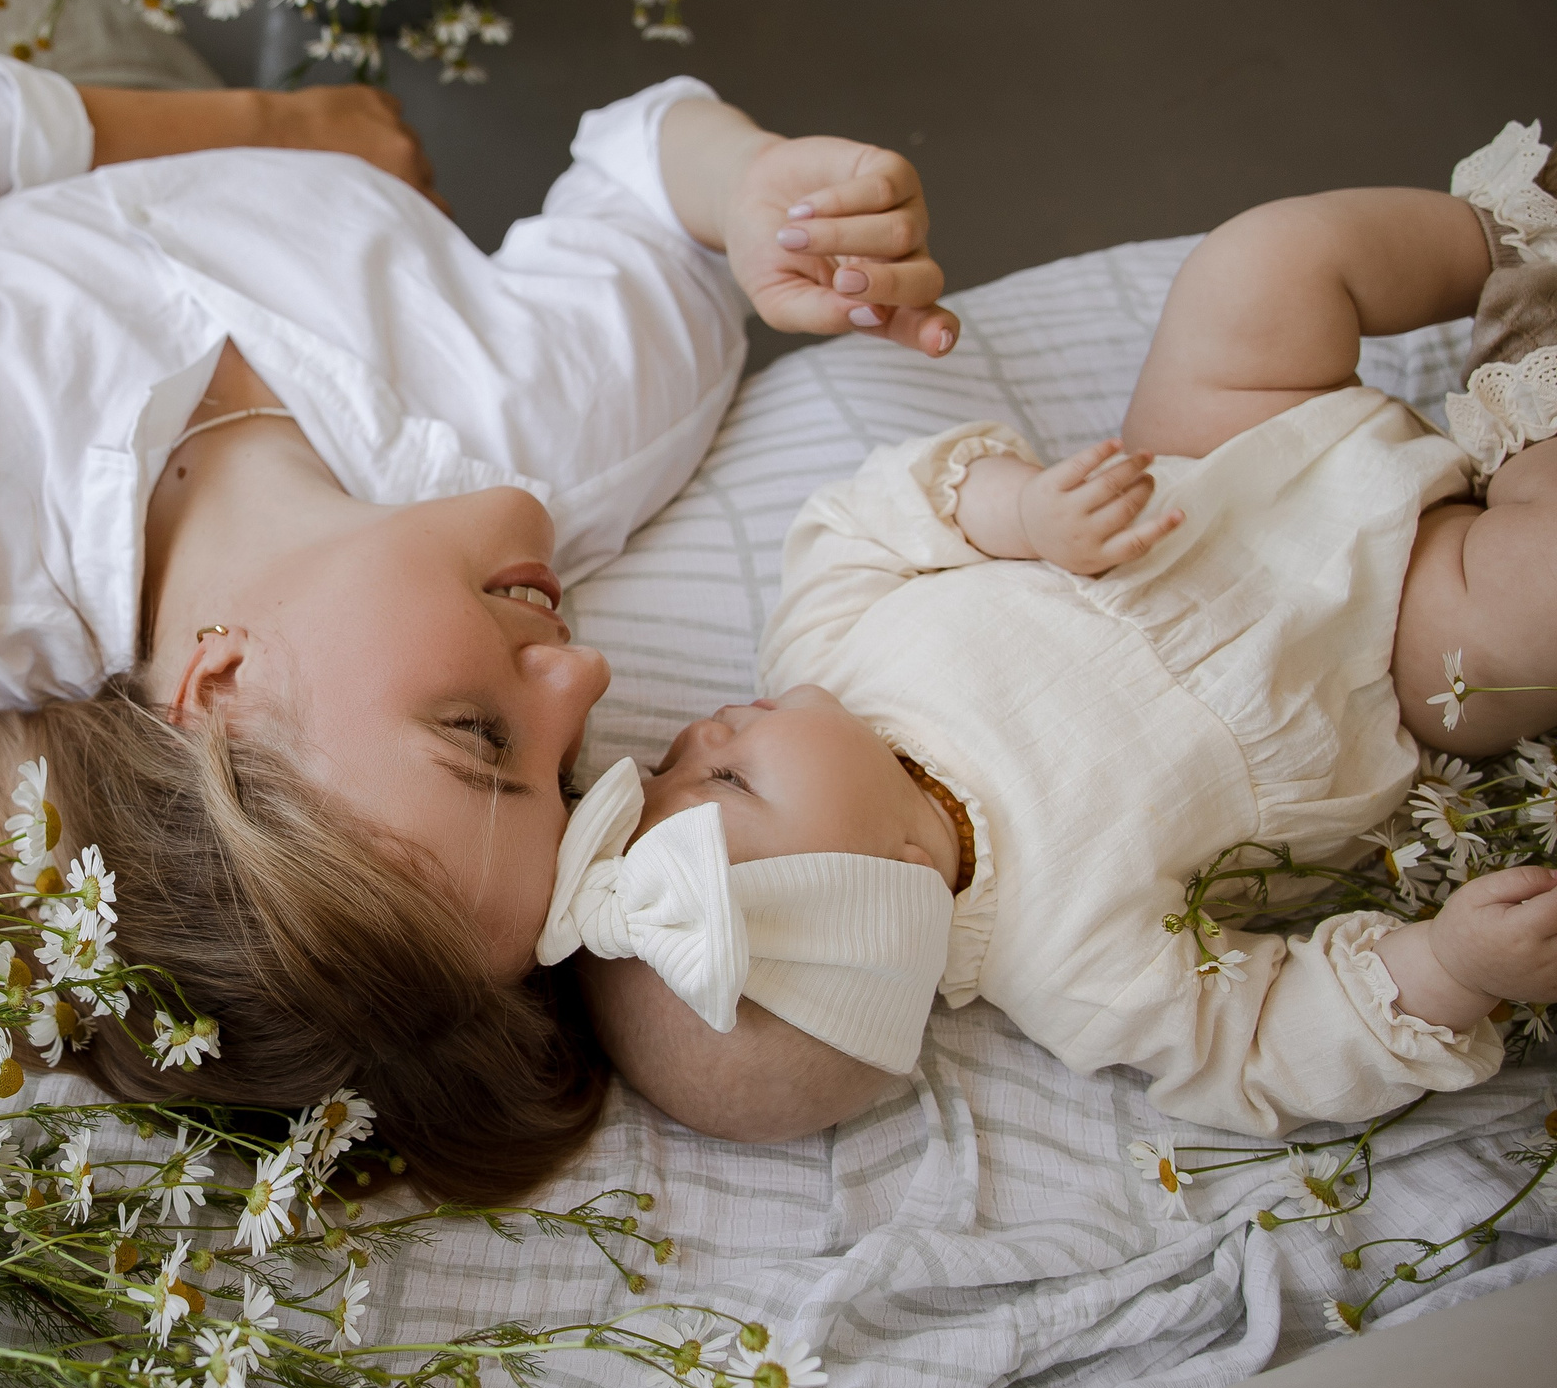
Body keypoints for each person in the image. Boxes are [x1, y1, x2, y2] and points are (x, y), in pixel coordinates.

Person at [0, 0, 961, 1199]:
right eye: (562, 763)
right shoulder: (566, 428)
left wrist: (290, 124)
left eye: (481, 730)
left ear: (219, 691)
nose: (581, 671)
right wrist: (762, 187)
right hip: (103, 79)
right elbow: (646, 173)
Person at [548, 126, 1557, 1145]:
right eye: (728, 781)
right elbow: (1254, 1044)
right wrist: (1449, 969)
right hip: (1389, 646)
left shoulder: (826, 651)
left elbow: (870, 511)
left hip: (1210, 463)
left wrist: (1022, 512)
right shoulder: (1070, 962)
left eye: (669, 755)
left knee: (1256, 267)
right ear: (891, 873)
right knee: (1535, 598)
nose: (704, 732)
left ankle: (1516, 243)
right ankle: (1531, 378)